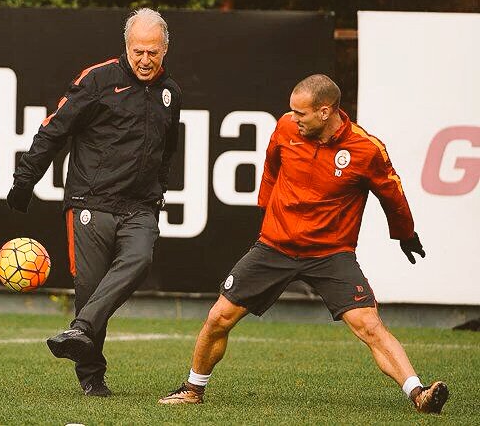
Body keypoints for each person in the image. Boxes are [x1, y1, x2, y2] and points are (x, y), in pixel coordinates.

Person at [159, 74, 448, 414]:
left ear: (325, 112)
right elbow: (271, 168)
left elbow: (392, 195)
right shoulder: (285, 128)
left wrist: (404, 233)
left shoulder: (366, 149)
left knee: (369, 325)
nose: (292, 118)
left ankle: (419, 394)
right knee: (218, 317)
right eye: (292, 111)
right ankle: (193, 389)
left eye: (301, 113)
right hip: (275, 246)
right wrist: (267, 213)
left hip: (331, 254)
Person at [7, 8, 181, 397]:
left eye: (153, 52)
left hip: (140, 206)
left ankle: (81, 329)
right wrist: (24, 181)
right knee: (89, 290)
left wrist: (159, 190)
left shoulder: (171, 93)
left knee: (140, 260)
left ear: (165, 50)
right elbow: (53, 131)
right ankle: (92, 378)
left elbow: (168, 149)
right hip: (91, 201)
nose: (145, 60)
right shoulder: (98, 79)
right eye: (138, 51)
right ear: (126, 46)